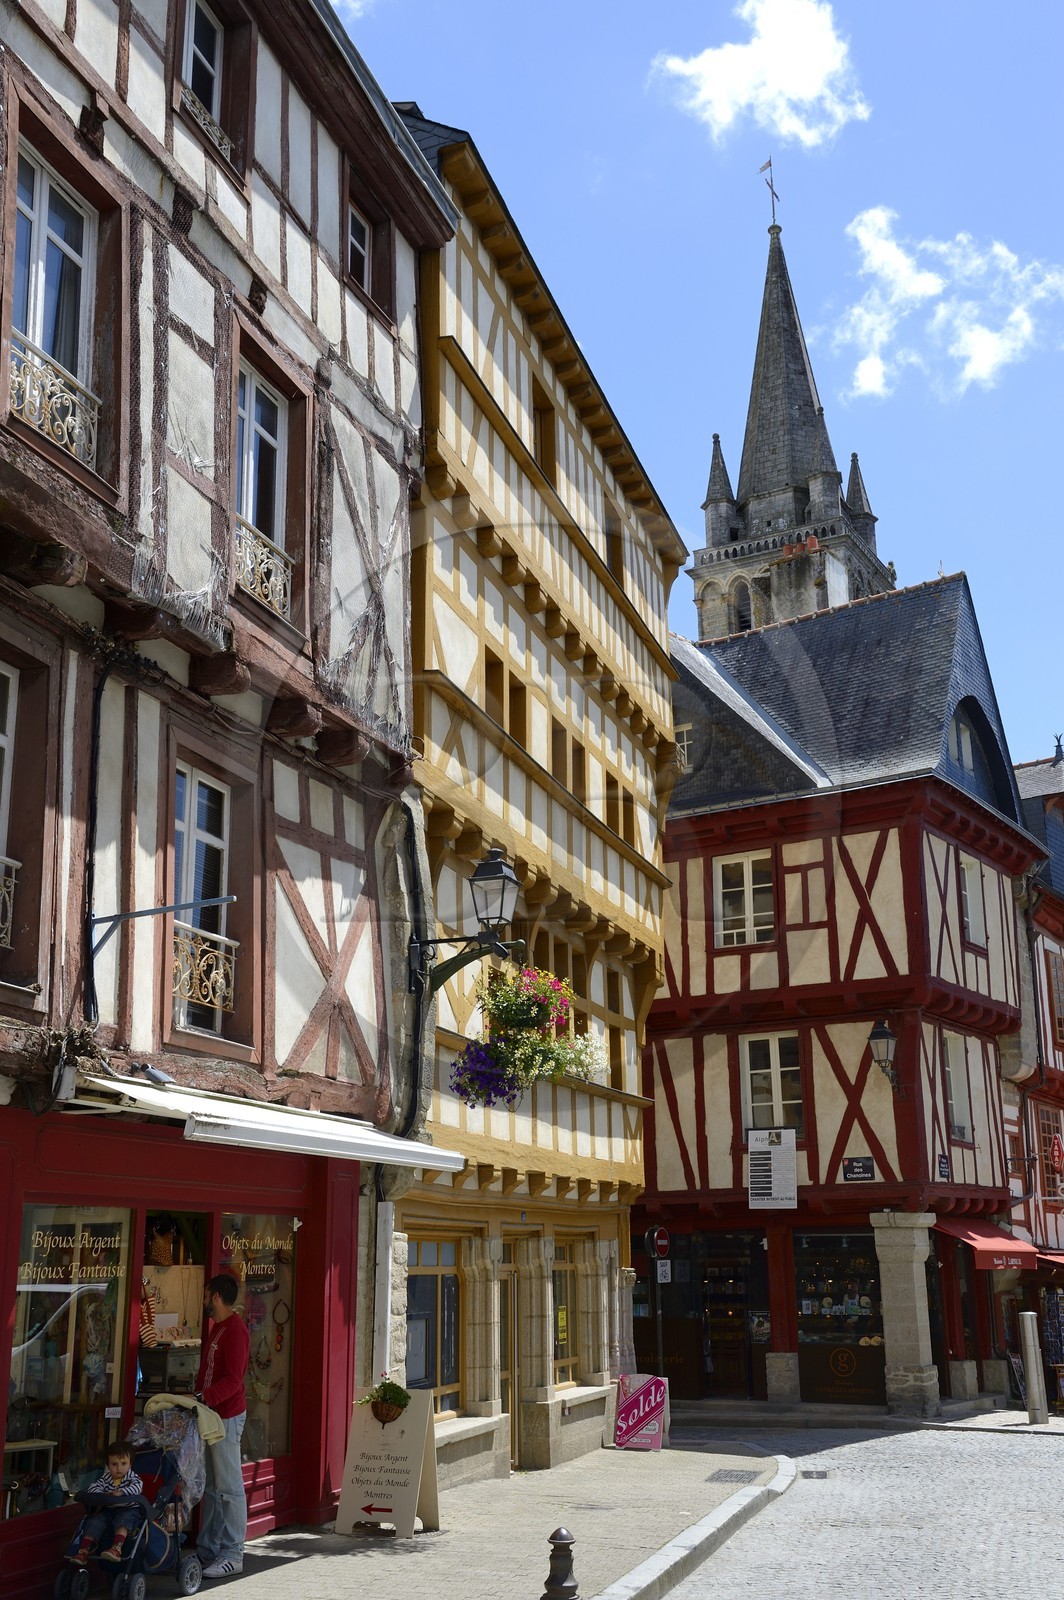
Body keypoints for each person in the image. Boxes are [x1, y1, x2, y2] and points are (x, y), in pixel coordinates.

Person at [194, 1273, 250, 1579]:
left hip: (226, 1416)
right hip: (212, 1414)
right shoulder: (219, 1328)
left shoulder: (235, 1330)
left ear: (216, 1296)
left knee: (229, 1486)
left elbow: (233, 1379)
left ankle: (232, 1553)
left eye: (205, 1295)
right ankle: (208, 1550)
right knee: (214, 1487)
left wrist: (205, 1397)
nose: (204, 1301)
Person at [67, 1440, 144, 1565]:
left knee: (124, 1521)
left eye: (123, 1463)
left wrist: (122, 1492)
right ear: (108, 1465)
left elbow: (138, 1488)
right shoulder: (106, 1478)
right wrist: (101, 1494)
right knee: (94, 1522)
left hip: (129, 1509)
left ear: (130, 1464)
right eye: (114, 1464)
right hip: (109, 1510)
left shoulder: (132, 1478)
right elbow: (93, 1487)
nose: (119, 1468)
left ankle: (116, 1549)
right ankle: (83, 1551)